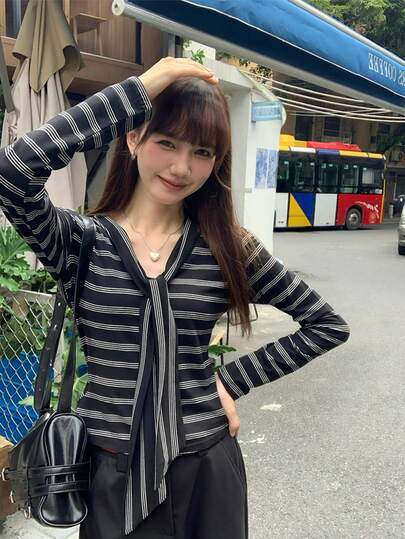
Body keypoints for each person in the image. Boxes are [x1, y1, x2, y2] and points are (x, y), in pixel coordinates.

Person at [0, 57, 350, 539]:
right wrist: (140, 89)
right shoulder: (81, 243)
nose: (182, 167)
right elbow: (13, 172)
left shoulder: (228, 247)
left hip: (207, 470)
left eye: (202, 152)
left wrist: (230, 380)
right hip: (111, 476)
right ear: (132, 138)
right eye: (166, 142)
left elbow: (326, 325)